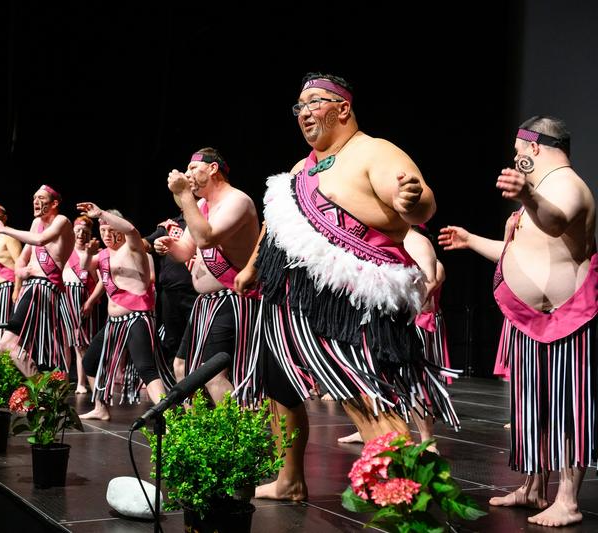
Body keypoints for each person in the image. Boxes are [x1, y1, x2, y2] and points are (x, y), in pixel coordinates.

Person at [235, 72, 456, 501]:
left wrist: (413, 202)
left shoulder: (374, 150)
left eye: (315, 102)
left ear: (343, 108)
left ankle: (406, 499)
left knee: (364, 397)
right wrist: (252, 266)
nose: (304, 113)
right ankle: (289, 480)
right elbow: (275, 223)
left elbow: (418, 199)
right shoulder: (301, 168)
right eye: (299, 106)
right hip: (288, 300)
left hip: (350, 303)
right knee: (279, 388)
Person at [439, 115, 596, 527]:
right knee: (531, 409)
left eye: (518, 150)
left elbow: (556, 221)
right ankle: (532, 487)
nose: (515, 157)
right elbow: (520, 253)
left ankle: (567, 500)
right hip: (529, 320)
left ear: (534, 147)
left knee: (567, 409)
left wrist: (527, 194)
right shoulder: (540, 193)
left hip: (567, 318)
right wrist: (471, 240)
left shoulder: (567, 185)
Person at [154, 147, 261, 405]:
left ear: (213, 168)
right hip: (205, 304)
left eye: (193, 167)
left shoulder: (237, 201)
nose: (188, 173)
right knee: (181, 366)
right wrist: (169, 246)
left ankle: (233, 429)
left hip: (231, 299)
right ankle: (198, 426)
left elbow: (206, 238)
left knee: (214, 376)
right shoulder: (202, 205)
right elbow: (186, 250)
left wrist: (184, 194)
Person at [337, 225, 458, 449]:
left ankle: (427, 440)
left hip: (405, 322)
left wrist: (406, 308)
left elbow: (430, 280)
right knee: (370, 378)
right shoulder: (379, 236)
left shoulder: (417, 241)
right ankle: (369, 429)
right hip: (374, 320)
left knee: (412, 382)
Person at [77, 203, 174, 421]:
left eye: (111, 230)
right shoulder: (104, 255)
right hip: (114, 323)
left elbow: (131, 230)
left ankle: (169, 419)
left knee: (146, 368)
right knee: (90, 362)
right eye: (102, 230)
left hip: (136, 318)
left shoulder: (132, 248)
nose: (106, 235)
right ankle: (100, 407)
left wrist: (101, 213)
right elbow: (84, 266)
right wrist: (88, 254)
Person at [0, 184, 77, 376]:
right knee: (9, 344)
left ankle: (41, 385)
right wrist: (20, 272)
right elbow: (23, 258)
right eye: (34, 198)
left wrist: (4, 229)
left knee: (43, 346)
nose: (35, 202)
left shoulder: (62, 220)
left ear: (54, 203)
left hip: (44, 287)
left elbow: (40, 240)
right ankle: (39, 385)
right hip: (30, 288)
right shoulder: (35, 223)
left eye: (41, 198)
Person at [143, 202, 198, 373]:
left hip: (197, 293)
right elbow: (146, 243)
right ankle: (175, 381)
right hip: (170, 294)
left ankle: (199, 378)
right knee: (172, 338)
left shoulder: (204, 223)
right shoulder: (169, 226)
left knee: (197, 337)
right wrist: (132, 240)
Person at [63, 215, 104, 393]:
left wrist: (90, 302)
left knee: (82, 343)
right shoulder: (65, 250)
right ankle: (63, 380)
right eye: (78, 231)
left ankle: (82, 382)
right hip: (65, 298)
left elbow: (102, 281)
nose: (81, 234)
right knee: (65, 342)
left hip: (84, 300)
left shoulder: (95, 253)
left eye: (85, 232)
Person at [0, 204, 22, 342]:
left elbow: (20, 262)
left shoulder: (8, 235)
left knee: (3, 330)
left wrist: (17, 290)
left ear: (5, 218)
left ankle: (5, 355)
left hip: (7, 288)